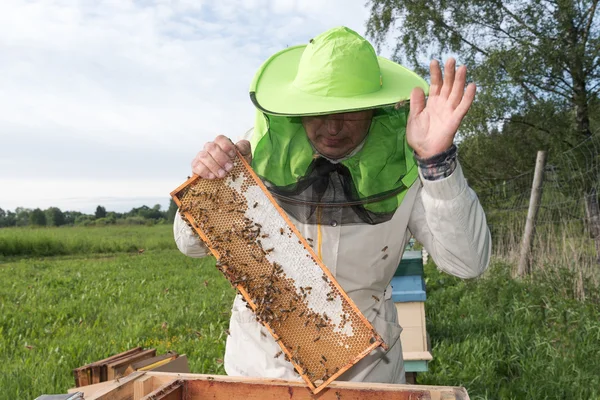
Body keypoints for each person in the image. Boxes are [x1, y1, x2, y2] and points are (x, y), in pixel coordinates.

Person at [174, 26, 491, 384]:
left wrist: (437, 162)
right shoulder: (256, 150)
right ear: (296, 108)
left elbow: (468, 263)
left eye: (350, 112)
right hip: (260, 369)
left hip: (367, 374)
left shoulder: (410, 162)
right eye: (319, 110)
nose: (334, 127)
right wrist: (213, 183)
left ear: (375, 108)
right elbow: (190, 245)